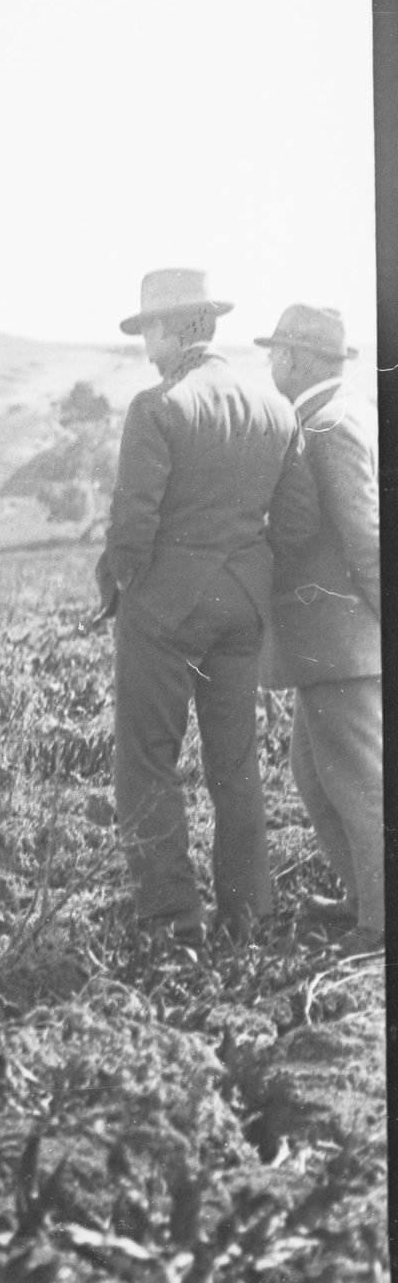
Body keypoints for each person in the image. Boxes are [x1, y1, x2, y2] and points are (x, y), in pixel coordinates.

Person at [94, 269, 320, 947]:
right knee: (236, 765)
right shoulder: (275, 410)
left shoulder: (158, 406)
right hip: (242, 606)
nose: (146, 346)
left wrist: (121, 582)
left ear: (172, 329)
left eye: (149, 331)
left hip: (165, 610)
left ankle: (171, 918)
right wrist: (250, 570)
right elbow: (300, 522)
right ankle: (250, 914)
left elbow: (131, 525)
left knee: (147, 760)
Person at [257, 305, 382, 955]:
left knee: (357, 783)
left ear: (301, 359)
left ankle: (379, 922)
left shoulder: (327, 426)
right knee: (314, 774)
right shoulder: (339, 414)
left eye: (277, 351)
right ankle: (363, 898)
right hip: (328, 641)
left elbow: (366, 539)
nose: (271, 363)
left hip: (341, 639)